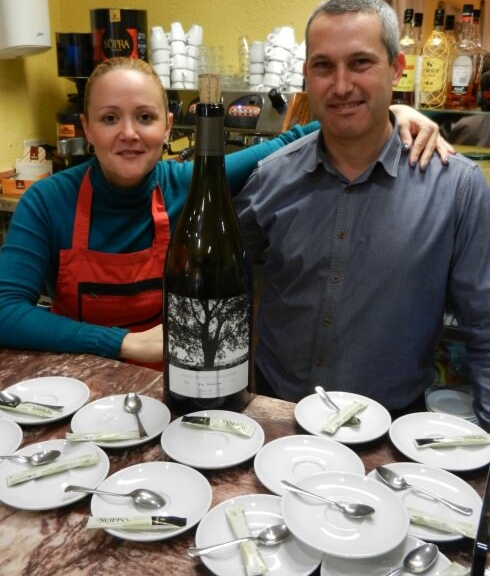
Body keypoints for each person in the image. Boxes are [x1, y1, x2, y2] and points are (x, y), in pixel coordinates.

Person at [0, 57, 450, 369]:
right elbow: (5, 311)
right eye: (110, 118)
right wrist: (123, 343)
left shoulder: (189, 184)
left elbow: (286, 140)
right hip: (76, 388)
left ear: (168, 126)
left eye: (145, 117)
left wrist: (388, 112)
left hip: (168, 385)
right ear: (86, 128)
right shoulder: (48, 201)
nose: (130, 135)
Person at [234, 0, 490, 429]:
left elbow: (485, 328)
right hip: (275, 416)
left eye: (360, 63)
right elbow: (222, 278)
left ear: (396, 69)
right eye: (323, 66)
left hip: (393, 431)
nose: (340, 85)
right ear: (306, 76)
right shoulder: (269, 178)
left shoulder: (457, 188)